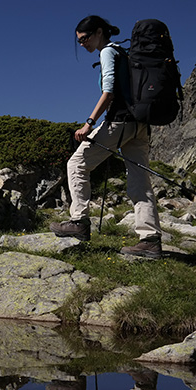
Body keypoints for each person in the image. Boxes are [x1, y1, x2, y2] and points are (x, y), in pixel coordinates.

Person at [50, 16, 163, 259]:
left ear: (99, 32)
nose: (82, 44)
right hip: (140, 124)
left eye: (85, 38)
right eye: (79, 41)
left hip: (121, 121)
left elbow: (109, 92)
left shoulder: (108, 52)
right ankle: (150, 239)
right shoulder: (124, 52)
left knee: (76, 164)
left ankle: (78, 221)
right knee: (139, 180)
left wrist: (88, 124)